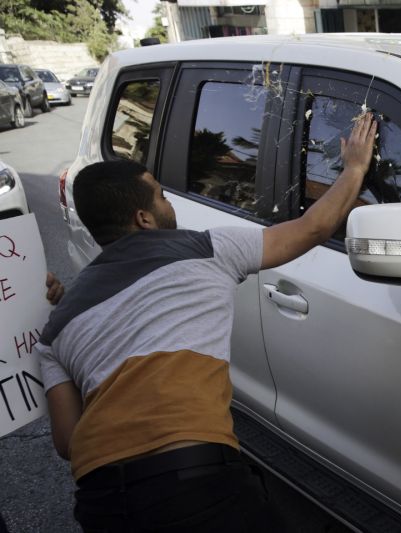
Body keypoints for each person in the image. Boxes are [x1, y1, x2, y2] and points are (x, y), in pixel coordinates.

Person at [36, 114, 377, 532]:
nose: (170, 204)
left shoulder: (56, 329)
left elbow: (67, 442)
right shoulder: (206, 250)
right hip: (192, 487)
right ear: (144, 218)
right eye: (162, 197)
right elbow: (314, 228)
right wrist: (354, 168)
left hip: (101, 504)